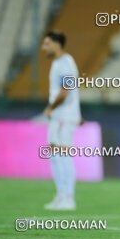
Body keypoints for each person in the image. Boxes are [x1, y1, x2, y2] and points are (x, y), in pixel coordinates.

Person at [41, 31, 81, 210]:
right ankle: (61, 195)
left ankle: (68, 198)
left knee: (62, 155)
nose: (44, 48)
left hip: (63, 115)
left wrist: (51, 107)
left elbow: (65, 91)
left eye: (47, 44)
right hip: (61, 116)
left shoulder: (65, 64)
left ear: (57, 44)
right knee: (55, 155)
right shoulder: (60, 63)